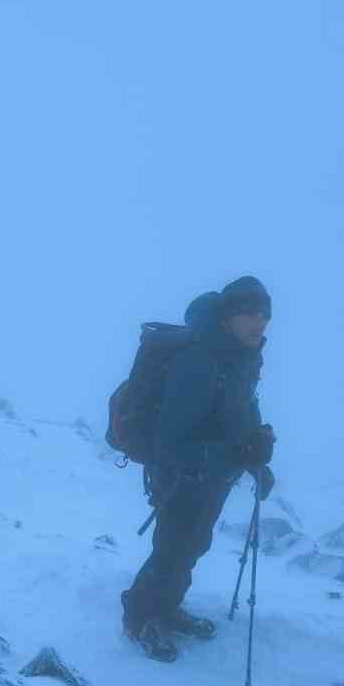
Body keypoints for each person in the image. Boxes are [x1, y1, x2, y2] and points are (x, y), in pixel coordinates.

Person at [121, 275, 277, 662]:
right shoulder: (199, 362)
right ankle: (140, 617)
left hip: (213, 476)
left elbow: (239, 411)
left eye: (264, 315)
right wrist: (233, 455)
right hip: (181, 476)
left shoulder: (242, 357)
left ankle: (167, 610)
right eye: (249, 314)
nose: (259, 322)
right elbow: (170, 439)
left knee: (192, 546)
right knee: (171, 550)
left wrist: (256, 453)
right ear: (227, 317)